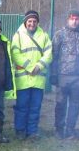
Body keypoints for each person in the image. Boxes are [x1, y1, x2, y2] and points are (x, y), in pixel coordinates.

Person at [11, 10, 53, 139]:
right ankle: (20, 131)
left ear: (38, 22)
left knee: (35, 107)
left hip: (38, 79)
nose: (32, 23)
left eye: (34, 21)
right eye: (29, 21)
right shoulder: (17, 35)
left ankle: (32, 131)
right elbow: (15, 53)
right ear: (25, 22)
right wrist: (30, 66)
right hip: (23, 80)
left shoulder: (44, 36)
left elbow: (49, 53)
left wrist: (39, 66)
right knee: (21, 106)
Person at [51, 10, 79, 138]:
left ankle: (70, 129)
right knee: (61, 104)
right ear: (68, 19)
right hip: (63, 75)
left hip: (78, 77)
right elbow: (54, 56)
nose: (74, 21)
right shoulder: (59, 35)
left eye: (77, 19)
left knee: (75, 105)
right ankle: (59, 129)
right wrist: (53, 74)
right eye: (72, 19)